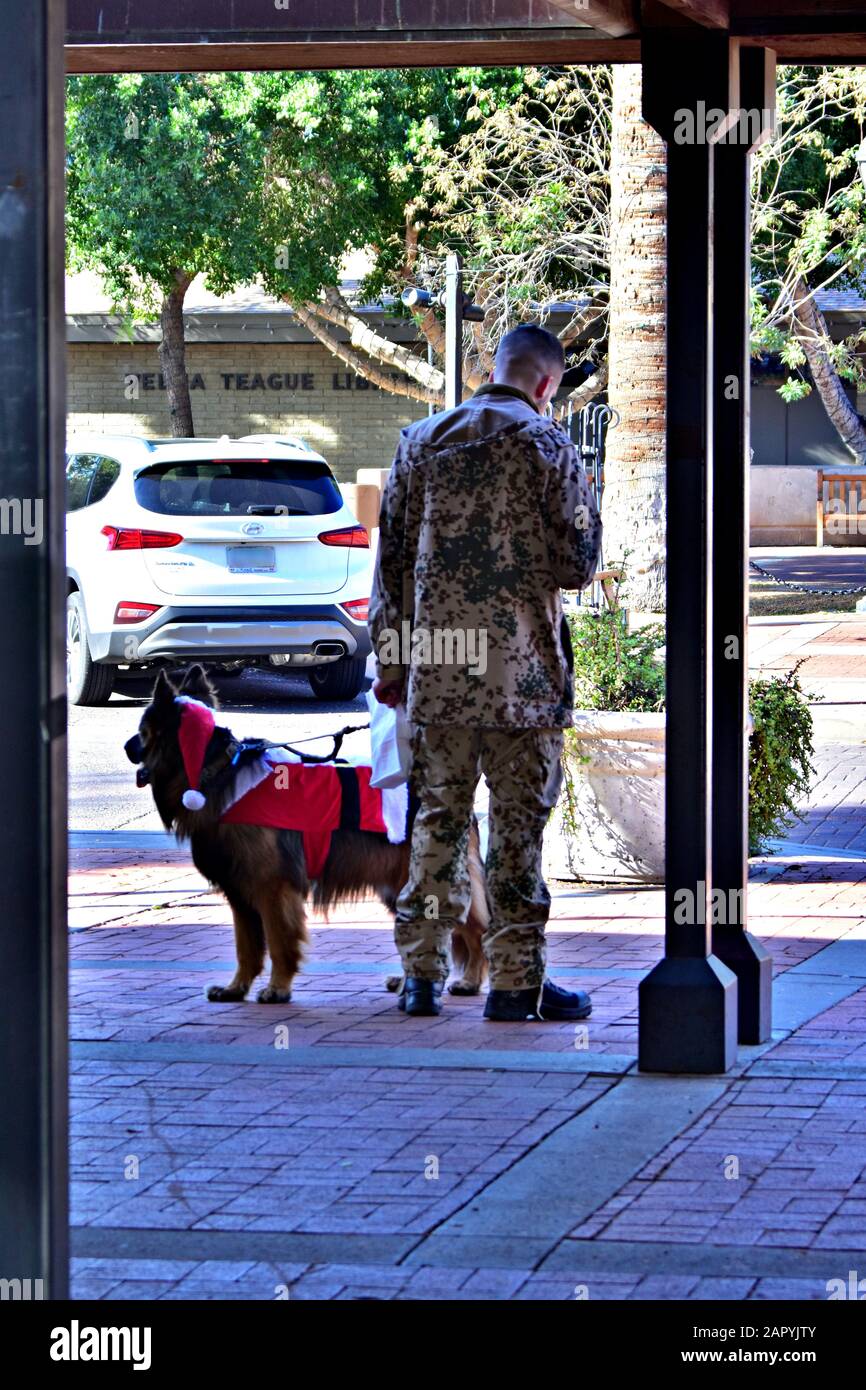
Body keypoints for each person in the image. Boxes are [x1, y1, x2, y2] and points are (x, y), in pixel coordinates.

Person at [369, 323, 602, 1020]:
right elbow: (578, 565)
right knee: (515, 832)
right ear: (546, 384)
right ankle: (514, 983)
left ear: (493, 369)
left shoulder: (419, 443)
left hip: (437, 675)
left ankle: (419, 977)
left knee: (436, 822)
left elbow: (391, 570)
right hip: (521, 678)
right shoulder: (547, 446)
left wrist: (392, 665)